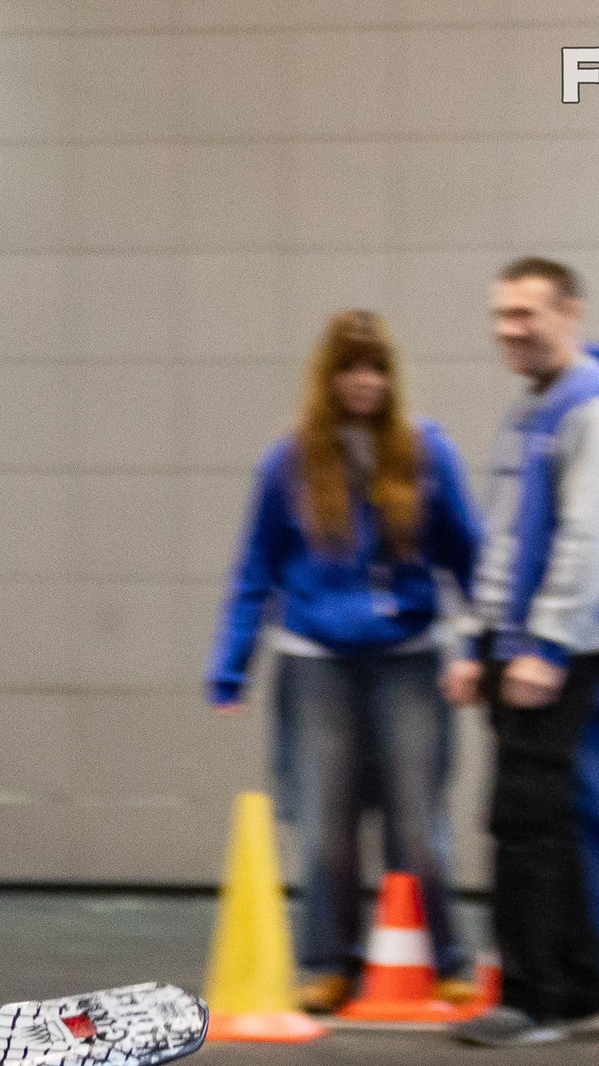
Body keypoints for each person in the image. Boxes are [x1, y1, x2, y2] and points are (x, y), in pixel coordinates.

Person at [206, 310, 482, 1012]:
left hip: (410, 658)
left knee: (418, 819)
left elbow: (469, 557)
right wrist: (231, 664)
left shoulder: (427, 454)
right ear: (328, 378)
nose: (364, 381)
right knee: (325, 820)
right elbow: (254, 569)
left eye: (376, 367)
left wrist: (478, 644)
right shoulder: (289, 462)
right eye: (351, 367)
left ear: (391, 377)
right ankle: (329, 963)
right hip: (315, 662)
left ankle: (448, 958)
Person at [447, 257, 599, 1047]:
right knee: (542, 819)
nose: (510, 329)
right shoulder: (531, 410)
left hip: (555, 644)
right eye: (502, 314)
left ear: (571, 312)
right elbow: (506, 535)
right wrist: (478, 638)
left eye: (526, 314)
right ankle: (578, 991)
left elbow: (593, 537)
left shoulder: (596, 411)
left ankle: (532, 999)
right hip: (516, 638)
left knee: (523, 817)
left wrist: (549, 644)